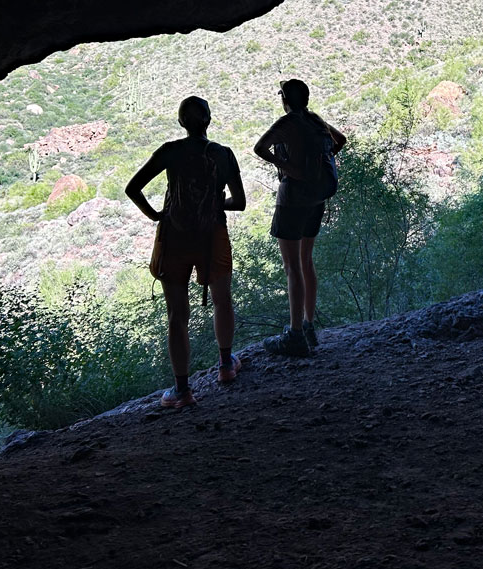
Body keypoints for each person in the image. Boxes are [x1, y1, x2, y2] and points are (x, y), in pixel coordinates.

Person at [126, 96, 246, 407]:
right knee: (222, 300)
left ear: (181, 122)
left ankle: (182, 390)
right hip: (212, 236)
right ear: (209, 120)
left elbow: (133, 187)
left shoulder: (170, 152)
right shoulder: (222, 154)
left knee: (177, 315)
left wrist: (155, 214)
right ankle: (225, 365)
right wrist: (215, 204)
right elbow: (240, 202)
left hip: (175, 238)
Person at [254, 79, 346, 357]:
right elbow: (339, 141)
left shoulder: (286, 124)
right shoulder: (315, 121)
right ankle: (308, 326)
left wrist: (288, 167)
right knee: (306, 262)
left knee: (292, 267)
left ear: (285, 100)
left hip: (292, 200)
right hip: (316, 199)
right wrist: (316, 168)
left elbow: (260, 148)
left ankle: (294, 335)